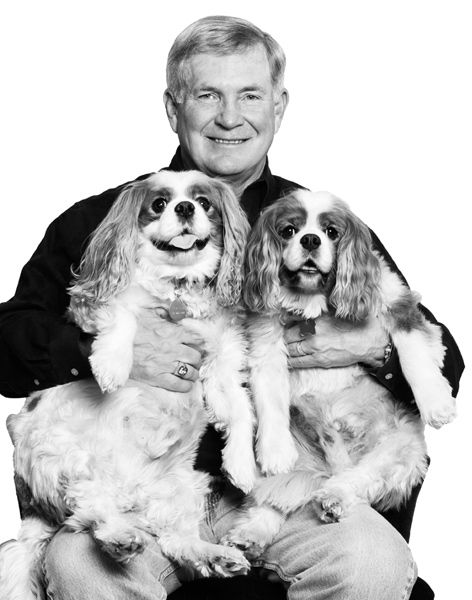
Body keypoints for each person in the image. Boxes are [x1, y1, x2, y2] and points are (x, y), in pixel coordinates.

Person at [0, 15, 463, 600]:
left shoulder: (317, 222)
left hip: (288, 489)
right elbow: (6, 344)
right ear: (173, 108)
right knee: (84, 570)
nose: (229, 116)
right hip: (137, 491)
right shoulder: (103, 220)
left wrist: (371, 347)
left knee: (371, 564)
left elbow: (446, 363)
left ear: (279, 107)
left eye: (250, 95)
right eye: (207, 95)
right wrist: (109, 349)